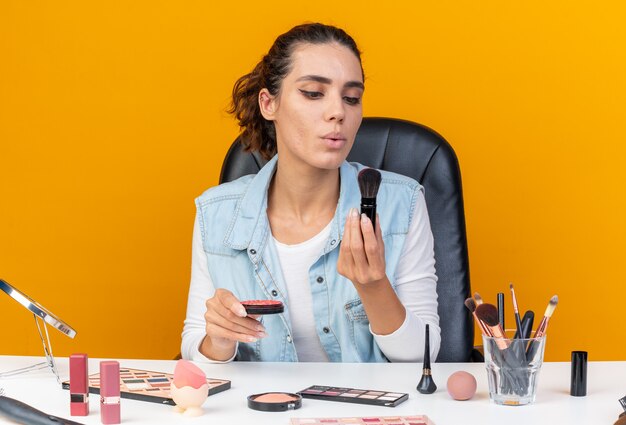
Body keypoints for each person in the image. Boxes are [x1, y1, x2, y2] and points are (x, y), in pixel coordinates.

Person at [181, 23, 440, 363]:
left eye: (352, 98)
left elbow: (424, 356)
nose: (338, 112)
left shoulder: (400, 204)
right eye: (314, 93)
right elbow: (193, 346)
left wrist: (374, 285)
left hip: (364, 414)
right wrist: (218, 339)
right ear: (268, 104)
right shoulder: (216, 214)